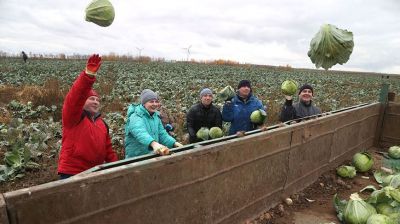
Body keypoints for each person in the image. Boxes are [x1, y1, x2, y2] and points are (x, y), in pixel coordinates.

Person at [57, 54, 118, 179]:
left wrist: (117, 167)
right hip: (73, 172)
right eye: (91, 99)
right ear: (82, 101)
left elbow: (108, 150)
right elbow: (75, 97)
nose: (95, 101)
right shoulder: (73, 118)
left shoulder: (102, 123)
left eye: (97, 100)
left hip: (95, 172)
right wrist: (88, 76)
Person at [125, 89, 183, 158]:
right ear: (144, 103)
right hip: (137, 157)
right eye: (151, 102)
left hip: (151, 156)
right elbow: (140, 132)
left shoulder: (155, 116)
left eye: (156, 101)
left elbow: (162, 134)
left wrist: (174, 143)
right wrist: (154, 144)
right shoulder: (136, 116)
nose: (155, 104)